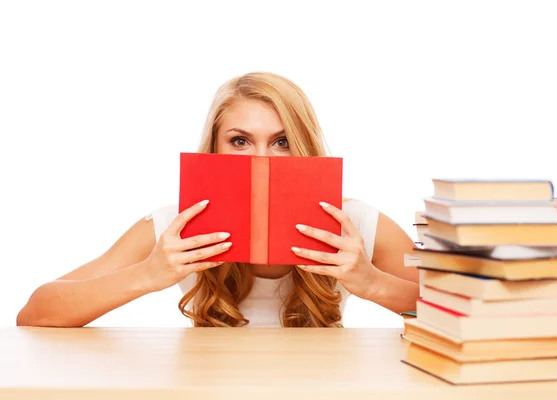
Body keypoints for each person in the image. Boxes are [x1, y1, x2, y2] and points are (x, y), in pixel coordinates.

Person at [16, 72, 420, 328]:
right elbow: (36, 313)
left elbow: (467, 319)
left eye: (281, 142)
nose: (261, 159)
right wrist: (148, 274)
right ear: (214, 149)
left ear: (303, 149)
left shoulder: (355, 223)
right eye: (240, 141)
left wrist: (372, 283)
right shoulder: (175, 226)